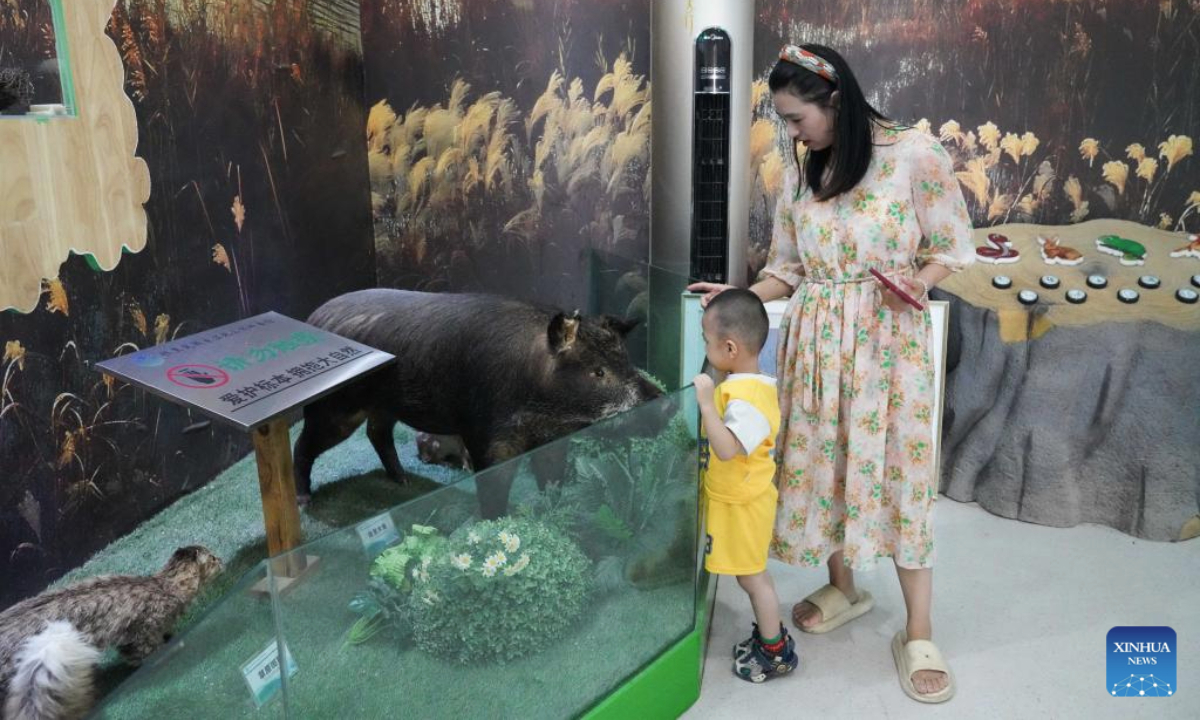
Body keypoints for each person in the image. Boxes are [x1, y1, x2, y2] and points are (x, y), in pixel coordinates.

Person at [689, 43, 975, 703]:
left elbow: (952, 244)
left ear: (834, 101)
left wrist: (919, 285)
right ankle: (845, 585)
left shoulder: (914, 154)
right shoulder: (801, 171)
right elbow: (787, 266)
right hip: (818, 338)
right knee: (826, 466)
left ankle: (920, 631)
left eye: (797, 119)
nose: (792, 133)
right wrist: (736, 297)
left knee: (900, 474)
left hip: (888, 340)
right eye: (785, 121)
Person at [693, 288, 797, 684]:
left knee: (753, 578)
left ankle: (775, 651)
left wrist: (706, 402)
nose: (705, 346)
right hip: (738, 502)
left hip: (745, 506)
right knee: (750, 576)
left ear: (730, 347)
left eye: (707, 340)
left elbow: (726, 449)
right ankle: (769, 639)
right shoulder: (746, 384)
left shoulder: (748, 399)